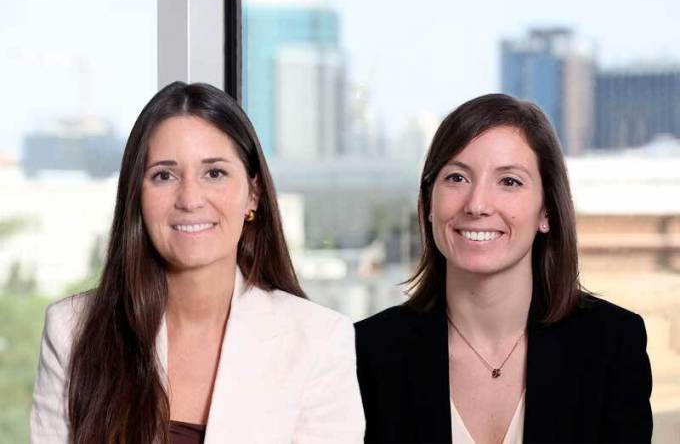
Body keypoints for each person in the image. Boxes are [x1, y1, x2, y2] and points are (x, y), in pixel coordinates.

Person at [30, 82, 365, 444]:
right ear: (136, 195)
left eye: (214, 173)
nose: (190, 199)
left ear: (253, 194)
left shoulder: (318, 339)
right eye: (164, 175)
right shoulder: (71, 331)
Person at [355, 94, 652, 443]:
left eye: (509, 181)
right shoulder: (367, 352)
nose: (477, 204)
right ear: (428, 205)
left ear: (547, 212)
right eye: (457, 177)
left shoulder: (612, 344)